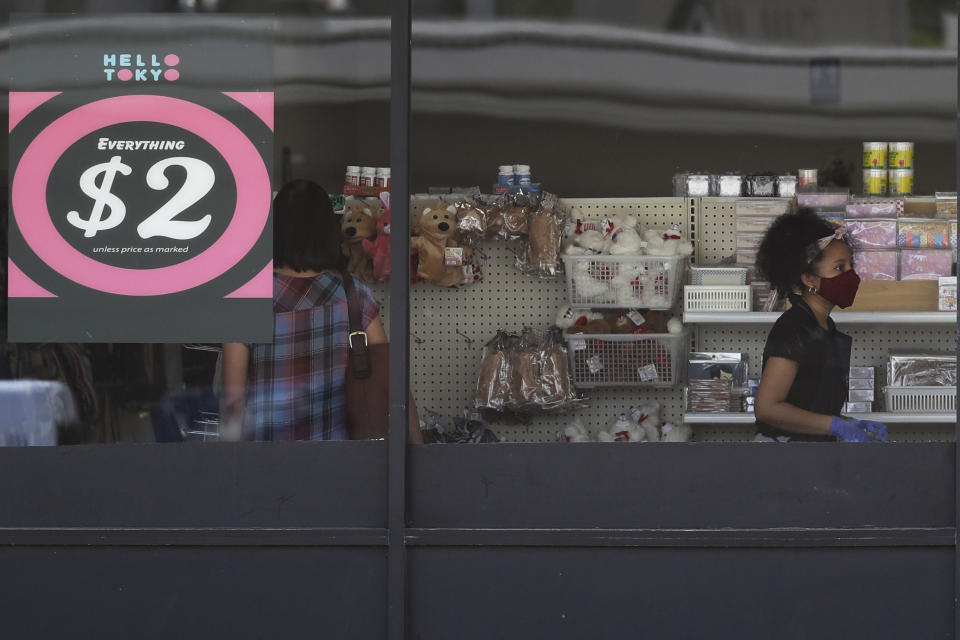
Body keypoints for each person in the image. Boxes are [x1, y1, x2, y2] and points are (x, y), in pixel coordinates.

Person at [220, 179, 422, 443]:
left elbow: (232, 401)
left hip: (268, 459)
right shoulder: (354, 292)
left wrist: (229, 468)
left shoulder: (246, 299)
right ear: (329, 231)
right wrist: (418, 448)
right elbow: (387, 380)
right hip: (339, 457)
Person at [753, 209, 888, 443]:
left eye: (851, 266)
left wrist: (846, 423)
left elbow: (808, 404)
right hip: (784, 459)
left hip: (812, 455)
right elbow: (767, 408)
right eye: (839, 268)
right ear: (809, 279)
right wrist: (835, 426)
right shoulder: (794, 327)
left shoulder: (824, 326)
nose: (852, 276)